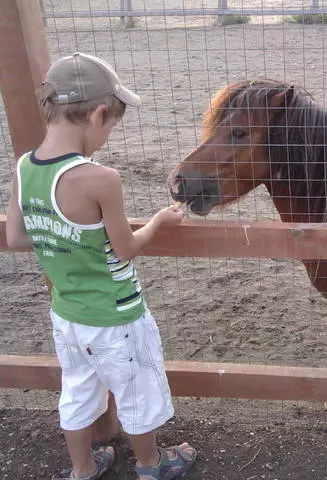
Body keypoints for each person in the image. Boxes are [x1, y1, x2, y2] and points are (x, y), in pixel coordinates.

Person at [5, 52, 196, 480]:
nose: (108, 136)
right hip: (116, 314)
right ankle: (151, 464)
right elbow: (125, 248)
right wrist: (160, 222)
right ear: (96, 114)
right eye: (111, 126)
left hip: (67, 314)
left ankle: (83, 469)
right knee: (136, 389)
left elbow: (17, 237)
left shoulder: (24, 167)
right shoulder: (100, 178)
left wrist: (59, 235)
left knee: (76, 392)